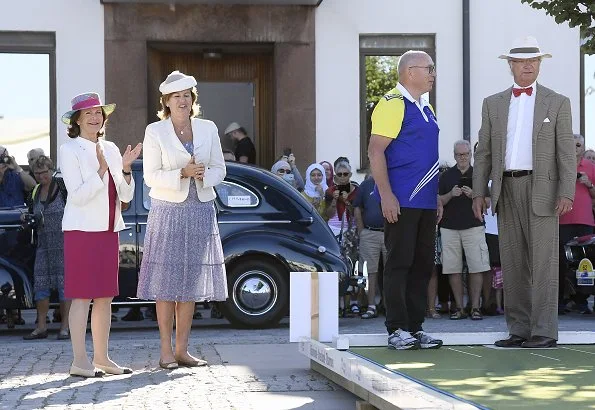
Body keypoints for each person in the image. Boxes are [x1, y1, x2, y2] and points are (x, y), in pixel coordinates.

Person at [472, 36, 575, 349]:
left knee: (543, 262)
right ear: (510, 66)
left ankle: (544, 331)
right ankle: (519, 330)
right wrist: (479, 191)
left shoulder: (558, 102)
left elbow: (566, 151)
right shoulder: (492, 103)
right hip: (505, 187)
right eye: (522, 61)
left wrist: (566, 191)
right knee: (513, 262)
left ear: (540, 65)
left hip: (543, 189)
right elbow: (484, 152)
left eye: (534, 61)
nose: (528, 66)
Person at [137, 70, 228, 370]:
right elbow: (150, 176)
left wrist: (203, 176)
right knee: (165, 283)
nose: (183, 100)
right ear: (166, 100)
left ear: (193, 99)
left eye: (187, 95)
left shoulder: (208, 127)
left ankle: (182, 350)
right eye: (177, 96)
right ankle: (165, 351)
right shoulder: (155, 131)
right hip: (168, 210)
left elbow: (220, 168)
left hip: (200, 208)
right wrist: (181, 174)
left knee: (189, 282)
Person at [60, 92, 142, 377]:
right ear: (77, 120)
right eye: (89, 113)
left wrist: (127, 170)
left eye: (99, 112)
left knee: (106, 296)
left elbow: (126, 197)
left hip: (109, 229)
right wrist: (102, 170)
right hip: (81, 231)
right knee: (82, 296)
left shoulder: (112, 147)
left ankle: (102, 358)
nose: (95, 117)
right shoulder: (68, 149)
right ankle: (79, 361)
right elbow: (78, 196)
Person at [368, 50, 443, 350]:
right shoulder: (391, 104)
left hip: (425, 202)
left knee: (422, 264)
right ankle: (396, 328)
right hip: (401, 200)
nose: (433, 74)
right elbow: (375, 151)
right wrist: (386, 195)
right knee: (399, 262)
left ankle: (415, 326)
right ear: (410, 72)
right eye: (430, 68)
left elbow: (428, 157)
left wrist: (436, 197)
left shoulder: (427, 106)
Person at [439, 140, 489, 321]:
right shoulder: (445, 176)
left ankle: (475, 307)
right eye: (459, 155)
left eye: (466, 154)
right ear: (454, 155)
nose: (462, 158)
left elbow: (489, 202)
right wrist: (450, 194)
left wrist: (474, 195)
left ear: (470, 155)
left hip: (474, 226)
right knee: (453, 269)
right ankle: (459, 308)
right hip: (449, 227)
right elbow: (438, 202)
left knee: (477, 267)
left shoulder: (479, 175)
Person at [22, 156, 71, 340]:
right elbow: (30, 213)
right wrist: (25, 218)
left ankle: (65, 327)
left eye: (44, 172)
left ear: (52, 170)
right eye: (37, 173)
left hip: (63, 244)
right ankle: (41, 326)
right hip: (43, 245)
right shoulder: (34, 191)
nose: (41, 176)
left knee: (65, 286)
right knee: (40, 286)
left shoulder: (63, 187)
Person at [558, 134, 595, 315]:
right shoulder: (559, 166)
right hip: (563, 220)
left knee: (585, 263)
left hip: (584, 220)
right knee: (560, 263)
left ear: (583, 147)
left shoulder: (590, 167)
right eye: (571, 145)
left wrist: (589, 184)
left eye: (579, 145)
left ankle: (581, 301)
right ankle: (560, 302)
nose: (575, 148)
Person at [353, 174, 387, 319]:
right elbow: (357, 208)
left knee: (391, 271)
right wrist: (362, 231)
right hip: (370, 233)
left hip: (390, 233)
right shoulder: (366, 185)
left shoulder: (392, 182)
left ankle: (389, 306)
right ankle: (371, 306)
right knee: (369, 272)